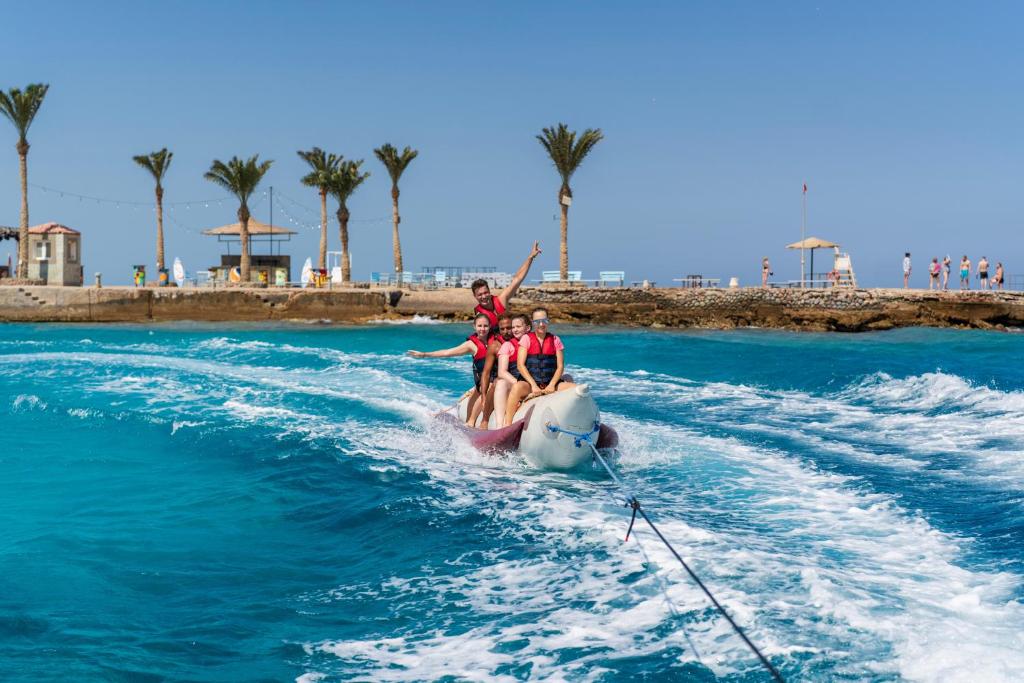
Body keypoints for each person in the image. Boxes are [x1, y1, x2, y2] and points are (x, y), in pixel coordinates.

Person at [407, 314, 498, 427]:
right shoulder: (471, 345)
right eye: (479, 326)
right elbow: (448, 352)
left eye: (485, 326)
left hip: (495, 376)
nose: (482, 329)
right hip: (483, 380)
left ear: (490, 327)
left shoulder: (496, 340)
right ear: (474, 326)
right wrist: (425, 354)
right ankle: (471, 421)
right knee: (486, 387)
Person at [505, 308, 577, 424]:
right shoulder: (526, 339)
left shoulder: (555, 340)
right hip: (530, 384)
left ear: (548, 321)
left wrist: (552, 385)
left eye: (544, 321)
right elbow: (520, 365)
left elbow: (560, 367)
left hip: (550, 383)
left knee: (575, 389)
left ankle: (577, 422)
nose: (541, 324)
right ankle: (507, 423)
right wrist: (533, 385)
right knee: (517, 387)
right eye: (537, 321)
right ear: (533, 323)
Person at [471, 241, 542, 331]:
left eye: (485, 293)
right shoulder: (479, 316)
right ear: (475, 296)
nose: (484, 296)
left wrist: (531, 257)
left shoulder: (501, 299)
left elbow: (517, 279)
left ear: (489, 292)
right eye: (480, 295)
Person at [493, 314, 530, 427]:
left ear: (527, 328)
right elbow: (502, 372)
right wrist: (516, 384)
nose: (514, 330)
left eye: (518, 327)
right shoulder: (508, 345)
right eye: (513, 327)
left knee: (567, 377)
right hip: (518, 383)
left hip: (535, 383)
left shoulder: (536, 342)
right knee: (501, 382)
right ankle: (500, 425)